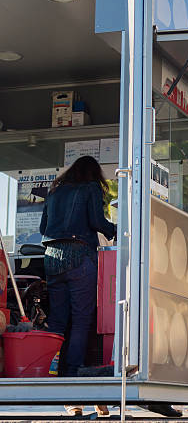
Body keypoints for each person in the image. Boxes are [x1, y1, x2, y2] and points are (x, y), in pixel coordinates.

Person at [40, 155, 116, 417]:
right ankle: (74, 384)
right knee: (83, 321)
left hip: (51, 257)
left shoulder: (55, 190)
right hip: (79, 256)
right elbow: (97, 222)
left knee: (59, 322)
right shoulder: (90, 188)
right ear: (93, 174)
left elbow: (43, 227)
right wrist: (116, 229)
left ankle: (56, 379)